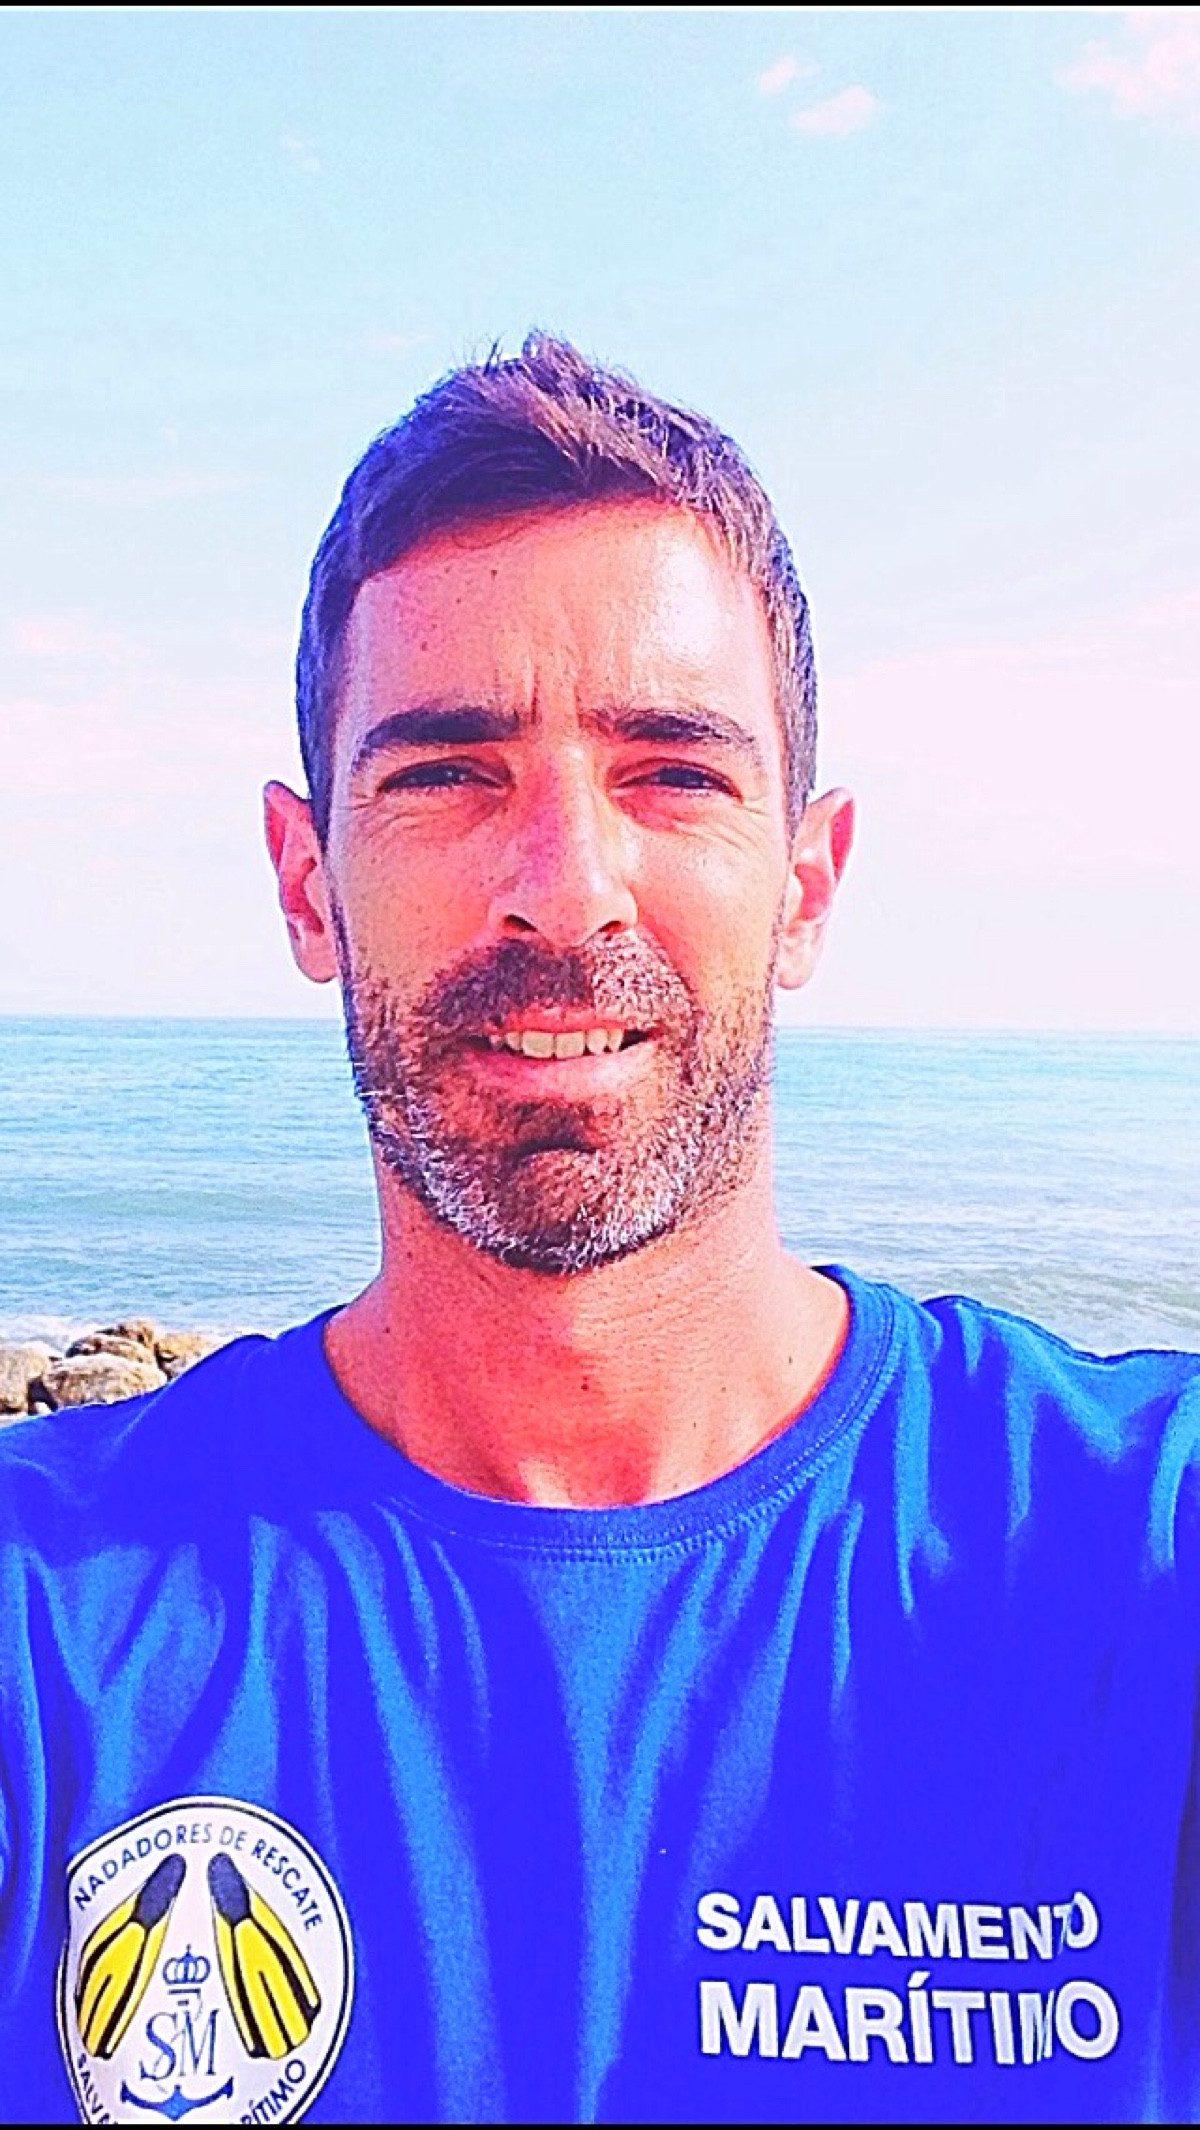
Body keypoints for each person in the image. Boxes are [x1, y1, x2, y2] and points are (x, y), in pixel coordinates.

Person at [1, 335, 1197, 2129]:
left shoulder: (1129, 1548)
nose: (564, 886)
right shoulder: (55, 1620)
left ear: (806, 884)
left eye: (673, 773)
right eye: (446, 773)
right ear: (307, 882)